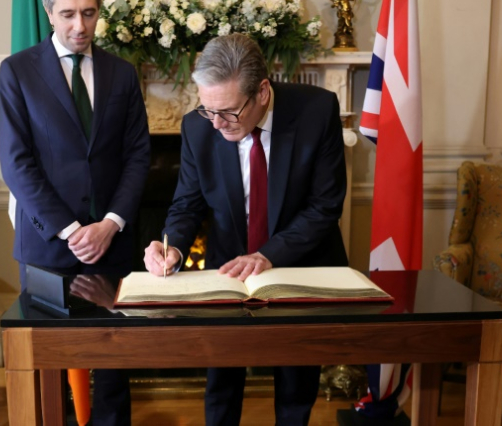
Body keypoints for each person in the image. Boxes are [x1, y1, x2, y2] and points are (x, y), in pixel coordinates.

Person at [143, 33, 348, 426]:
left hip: (299, 264)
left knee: (294, 390)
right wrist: (174, 248)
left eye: (229, 112)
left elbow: (324, 207)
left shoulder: (316, 111)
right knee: (221, 385)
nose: (217, 124)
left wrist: (268, 254)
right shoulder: (198, 127)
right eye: (208, 109)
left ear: (263, 92)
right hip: (229, 270)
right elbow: (188, 203)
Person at [0, 0, 150, 426]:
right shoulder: (17, 72)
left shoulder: (122, 74)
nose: (80, 25)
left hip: (111, 244)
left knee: (111, 369)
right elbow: (16, 163)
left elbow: (138, 156)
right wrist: (70, 230)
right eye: (68, 14)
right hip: (47, 246)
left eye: (88, 12)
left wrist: (110, 224)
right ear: (49, 13)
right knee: (47, 372)